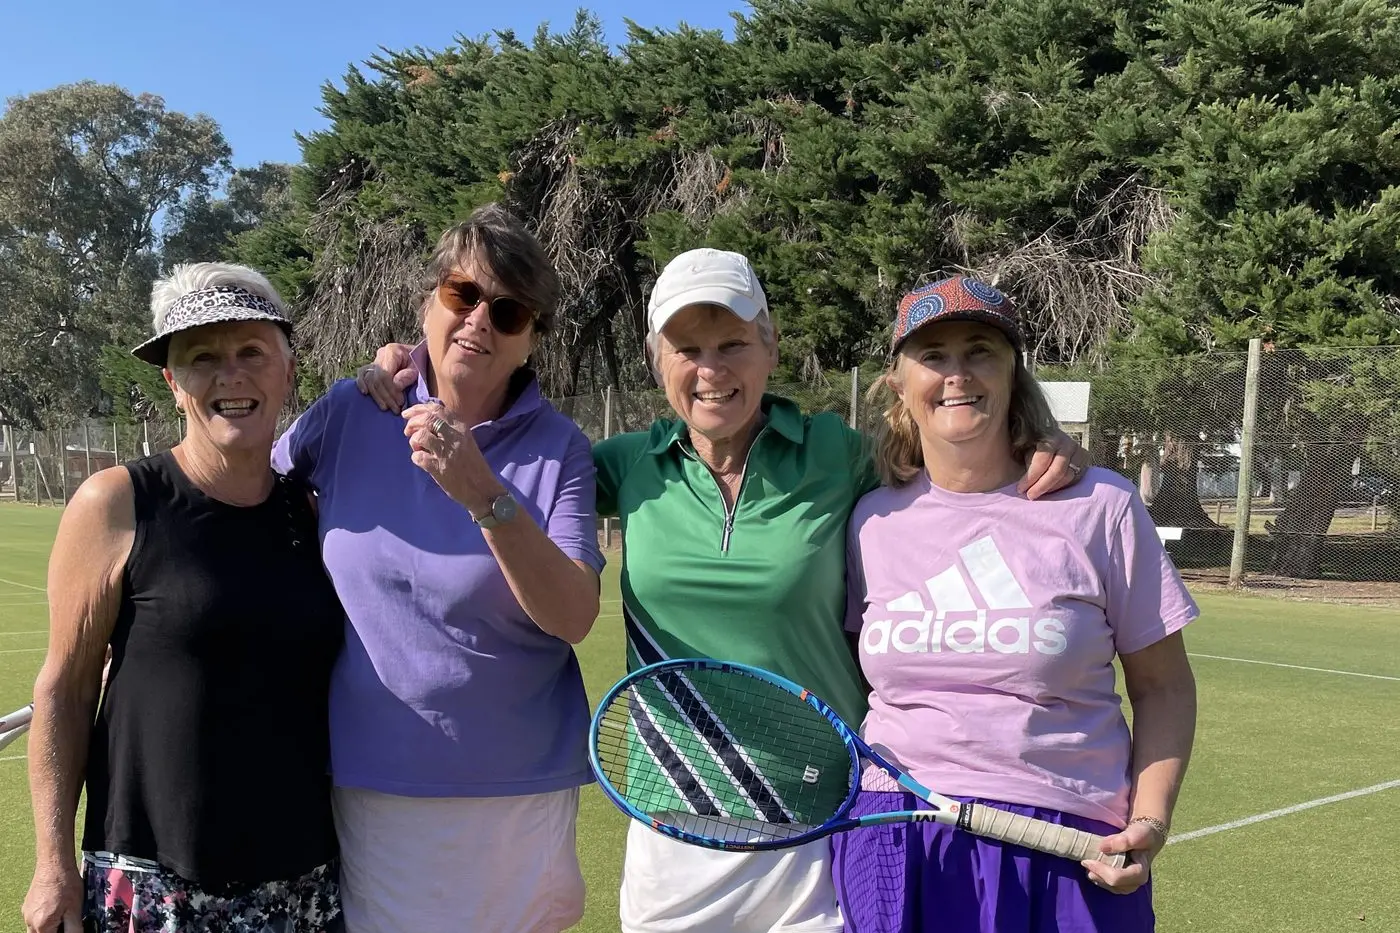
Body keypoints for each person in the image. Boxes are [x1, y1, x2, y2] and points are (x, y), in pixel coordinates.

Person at [359, 248, 1092, 932]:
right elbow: (499, 447)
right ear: (657, 362)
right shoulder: (617, 464)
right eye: (688, 348)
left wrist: (1041, 436)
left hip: (818, 819)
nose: (712, 368)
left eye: (733, 342)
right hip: (673, 823)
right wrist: (407, 373)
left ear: (770, 347)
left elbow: (960, 458)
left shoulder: (841, 454)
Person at [273, 203, 605, 933]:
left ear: (530, 341)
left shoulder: (560, 449)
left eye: (509, 312)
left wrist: (483, 494)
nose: (479, 321)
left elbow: (575, 614)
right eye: (463, 294)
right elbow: (240, 498)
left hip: (517, 795)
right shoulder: (349, 414)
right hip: (374, 784)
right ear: (428, 303)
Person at [835, 276, 1198, 933]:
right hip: (896, 835)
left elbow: (1165, 687)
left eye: (979, 350)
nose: (957, 374)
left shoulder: (1101, 506)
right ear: (897, 381)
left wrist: (1150, 817)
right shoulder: (869, 517)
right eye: (933, 355)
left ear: (1012, 372)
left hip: (1064, 842)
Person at [22, 263, 344, 933]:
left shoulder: (313, 515)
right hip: (152, 889)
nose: (230, 375)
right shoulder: (116, 504)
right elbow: (65, 690)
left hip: (300, 887)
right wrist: (52, 863)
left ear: (287, 369)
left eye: (251, 352)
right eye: (202, 359)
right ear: (173, 383)